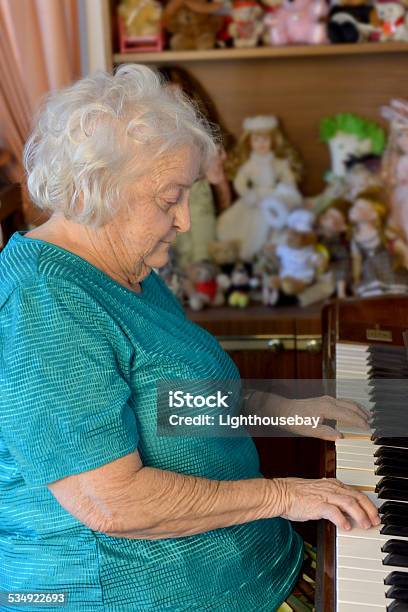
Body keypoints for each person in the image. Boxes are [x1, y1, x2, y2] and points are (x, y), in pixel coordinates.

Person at [0, 65, 379, 612]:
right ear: (98, 190)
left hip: (253, 565)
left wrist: (276, 411)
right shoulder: (43, 304)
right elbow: (113, 503)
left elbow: (167, 401)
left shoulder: (125, 267)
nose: (183, 220)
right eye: (167, 198)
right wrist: (285, 494)